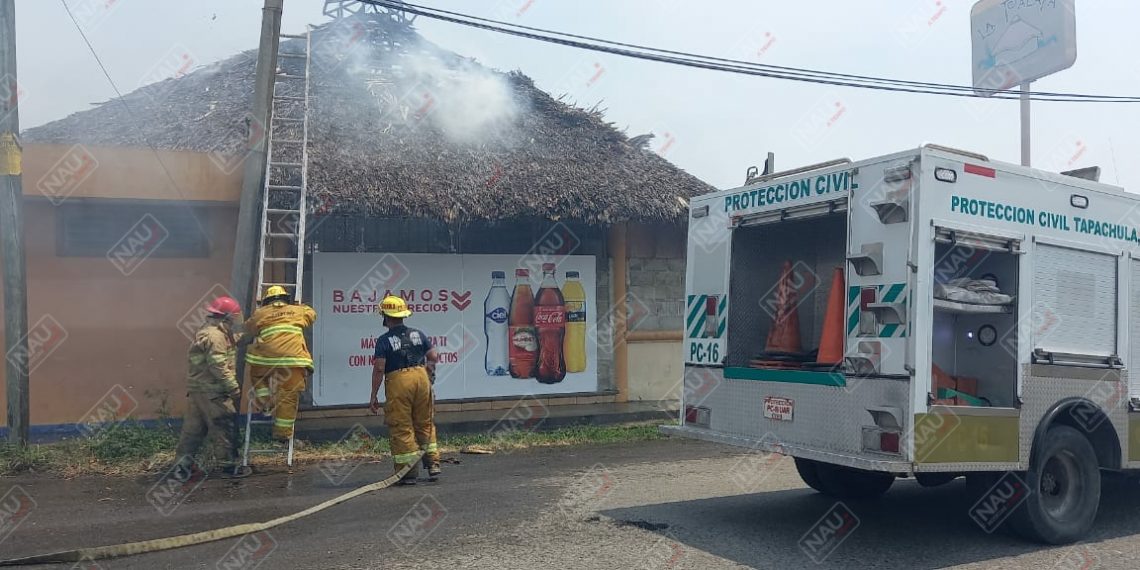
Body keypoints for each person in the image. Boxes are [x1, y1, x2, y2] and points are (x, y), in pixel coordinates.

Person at [174, 296, 250, 478]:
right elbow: (218, 365)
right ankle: (228, 467)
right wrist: (233, 387)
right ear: (226, 317)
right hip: (213, 391)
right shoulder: (216, 336)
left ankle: (181, 467)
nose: (235, 320)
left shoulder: (211, 331)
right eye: (234, 317)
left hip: (198, 390)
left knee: (193, 431)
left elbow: (228, 343)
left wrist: (249, 335)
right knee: (224, 425)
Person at [369, 295, 441, 485]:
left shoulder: (384, 340)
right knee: (425, 422)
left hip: (399, 380)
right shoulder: (418, 334)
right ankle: (433, 464)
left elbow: (379, 368)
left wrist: (374, 395)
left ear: (385, 316)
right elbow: (433, 355)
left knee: (402, 426)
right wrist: (429, 375)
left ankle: (407, 472)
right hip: (421, 378)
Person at [244, 285, 317, 444]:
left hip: (266, 359)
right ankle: (282, 435)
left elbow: (249, 328)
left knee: (256, 374)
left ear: (266, 301)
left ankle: (265, 402)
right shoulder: (297, 311)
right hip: (294, 361)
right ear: (285, 299)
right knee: (288, 396)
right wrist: (300, 307)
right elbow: (312, 314)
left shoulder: (260, 313)